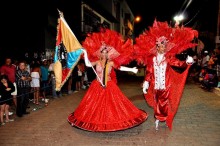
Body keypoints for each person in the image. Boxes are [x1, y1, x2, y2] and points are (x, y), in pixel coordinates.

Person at [67, 28, 148, 132]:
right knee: (94, 105)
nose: (104, 54)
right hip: (97, 85)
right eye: (102, 52)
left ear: (108, 53)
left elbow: (120, 68)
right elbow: (87, 64)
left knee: (112, 105)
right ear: (100, 53)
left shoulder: (111, 63)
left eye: (106, 52)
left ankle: (109, 121)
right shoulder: (96, 61)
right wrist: (85, 53)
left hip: (109, 85)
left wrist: (132, 69)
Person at [134, 20, 198, 131]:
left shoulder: (168, 58)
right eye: (160, 46)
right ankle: (159, 117)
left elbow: (178, 63)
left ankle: (160, 118)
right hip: (155, 86)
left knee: (163, 103)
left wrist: (187, 62)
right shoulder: (152, 59)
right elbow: (149, 73)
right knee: (157, 102)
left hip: (166, 85)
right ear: (157, 47)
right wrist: (146, 83)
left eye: (164, 46)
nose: (162, 48)